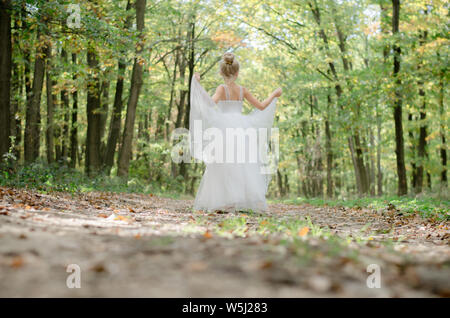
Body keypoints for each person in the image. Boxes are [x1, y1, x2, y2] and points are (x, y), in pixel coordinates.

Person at [189, 52, 282, 213]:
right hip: (241, 127)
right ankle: (237, 199)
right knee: (241, 163)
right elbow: (260, 106)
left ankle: (225, 200)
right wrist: (273, 94)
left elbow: (210, 104)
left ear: (220, 72)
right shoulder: (242, 90)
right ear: (237, 73)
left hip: (223, 127)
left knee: (222, 163)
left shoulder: (221, 89)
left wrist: (197, 85)